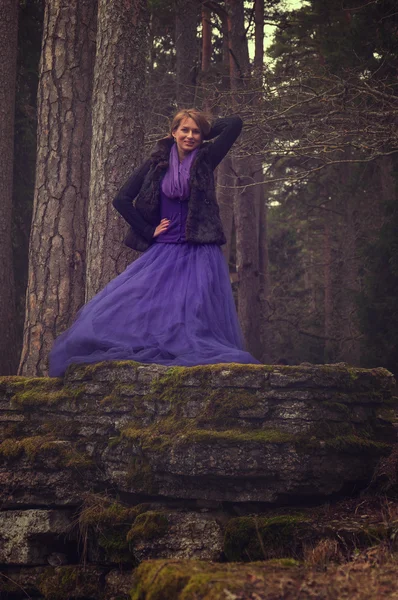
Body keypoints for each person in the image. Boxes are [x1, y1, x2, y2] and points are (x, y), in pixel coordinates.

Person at [49, 109, 261, 377]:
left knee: (195, 311)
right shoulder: (156, 164)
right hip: (166, 249)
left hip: (201, 250)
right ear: (173, 132)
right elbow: (122, 199)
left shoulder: (206, 158)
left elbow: (234, 124)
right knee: (141, 303)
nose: (190, 136)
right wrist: (149, 231)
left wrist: (204, 126)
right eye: (184, 129)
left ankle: (189, 363)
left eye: (196, 132)